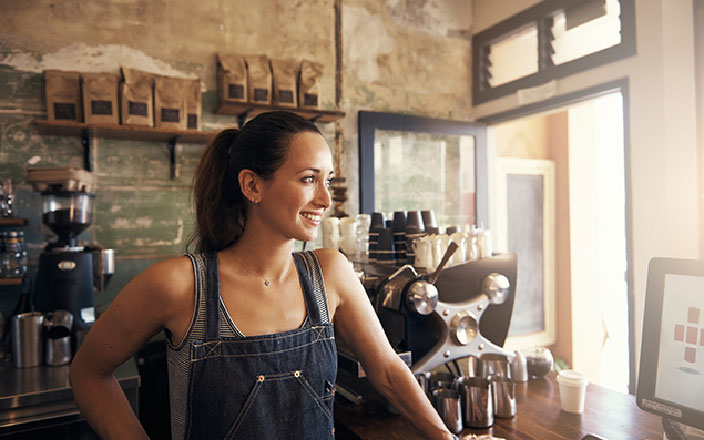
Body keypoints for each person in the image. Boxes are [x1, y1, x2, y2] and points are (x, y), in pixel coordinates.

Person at [70, 111, 455, 439]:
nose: (325, 199)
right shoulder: (180, 284)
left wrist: (443, 436)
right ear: (252, 185)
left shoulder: (330, 273)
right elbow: (89, 374)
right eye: (308, 179)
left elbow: (387, 370)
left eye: (328, 179)